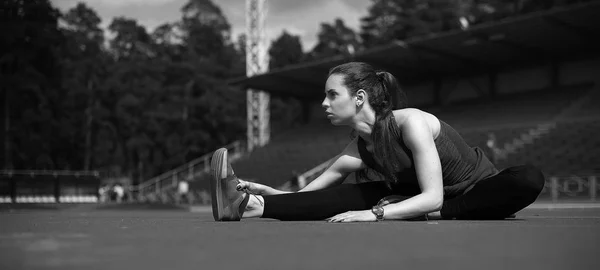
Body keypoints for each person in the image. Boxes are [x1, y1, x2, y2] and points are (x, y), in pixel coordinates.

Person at [210, 62, 544, 222]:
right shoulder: (356, 150)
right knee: (349, 195)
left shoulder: (411, 123)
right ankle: (248, 207)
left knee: (528, 178)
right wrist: (266, 193)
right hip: (414, 200)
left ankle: (420, 211)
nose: (324, 104)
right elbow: (310, 198)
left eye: (331, 95)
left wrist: (374, 214)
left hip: (477, 193)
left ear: (358, 98)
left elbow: (432, 196)